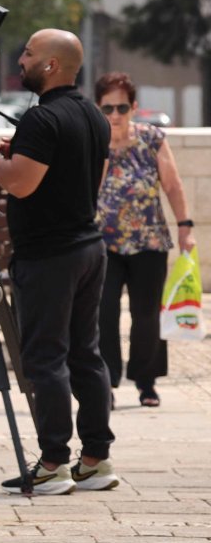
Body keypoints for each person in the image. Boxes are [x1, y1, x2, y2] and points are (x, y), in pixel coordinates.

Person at [0, 29, 115, 496]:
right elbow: (89, 173)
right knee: (85, 353)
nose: (21, 59)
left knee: (45, 358)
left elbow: (21, 185)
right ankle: (96, 459)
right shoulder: (93, 114)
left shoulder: (42, 118)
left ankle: (53, 463)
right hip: (88, 246)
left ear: (50, 65)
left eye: (28, 53)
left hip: (50, 255)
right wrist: (19, 154)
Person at [93, 72, 196, 408]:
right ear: (98, 108)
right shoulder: (93, 142)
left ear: (134, 107)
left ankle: (147, 381)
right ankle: (104, 382)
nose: (115, 114)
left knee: (147, 313)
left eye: (122, 107)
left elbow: (173, 184)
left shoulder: (152, 138)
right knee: (103, 312)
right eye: (108, 108)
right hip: (104, 243)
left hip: (149, 241)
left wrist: (185, 227)